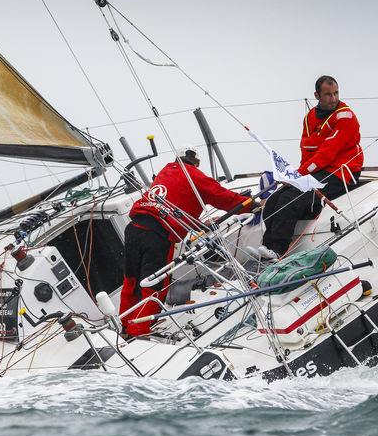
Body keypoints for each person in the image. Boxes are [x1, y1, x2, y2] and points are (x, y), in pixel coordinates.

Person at [119, 146, 251, 337]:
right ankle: (138, 330)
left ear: (177, 159)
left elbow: (174, 204)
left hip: (134, 229)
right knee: (154, 284)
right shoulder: (194, 175)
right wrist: (251, 205)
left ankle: (125, 325)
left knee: (131, 280)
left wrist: (198, 224)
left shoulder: (165, 171)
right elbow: (223, 198)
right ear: (196, 163)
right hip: (156, 235)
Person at [255, 75, 364, 260]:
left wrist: (299, 175)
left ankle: (278, 250)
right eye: (328, 94)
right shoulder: (310, 118)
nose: (334, 98)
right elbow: (307, 151)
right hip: (319, 170)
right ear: (317, 95)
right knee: (274, 200)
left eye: (336, 93)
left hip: (342, 171)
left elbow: (327, 152)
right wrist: (295, 177)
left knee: (290, 198)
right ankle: (267, 248)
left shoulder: (346, 116)